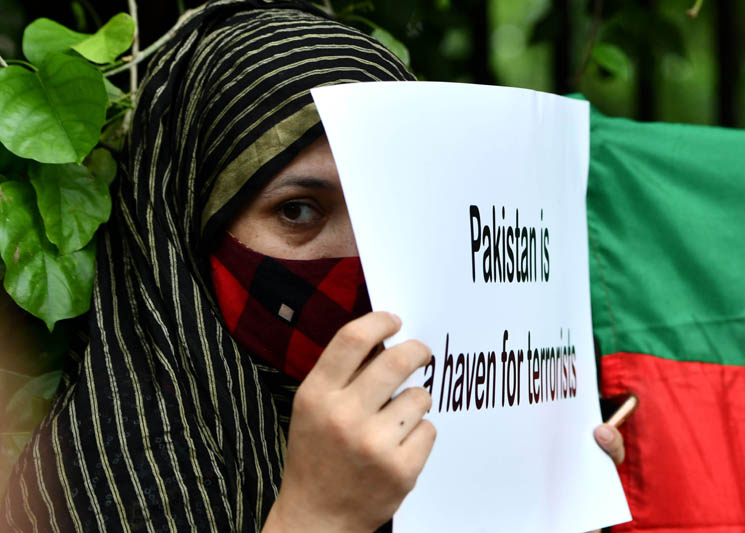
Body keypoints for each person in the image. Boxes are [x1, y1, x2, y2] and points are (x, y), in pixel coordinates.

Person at [1, 1, 624, 531]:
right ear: (191, 228)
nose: (359, 259)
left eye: (389, 206)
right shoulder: (97, 481)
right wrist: (318, 514)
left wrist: (544, 501)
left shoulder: (449, 419)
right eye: (297, 210)